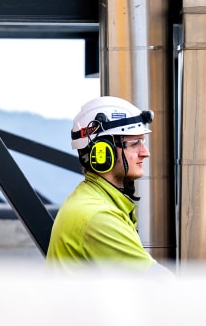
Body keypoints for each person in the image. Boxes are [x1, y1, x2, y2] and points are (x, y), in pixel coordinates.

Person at [47, 95, 163, 272]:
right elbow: (160, 284)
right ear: (103, 152)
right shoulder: (98, 216)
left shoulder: (93, 200)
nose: (145, 152)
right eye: (134, 143)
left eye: (143, 141)